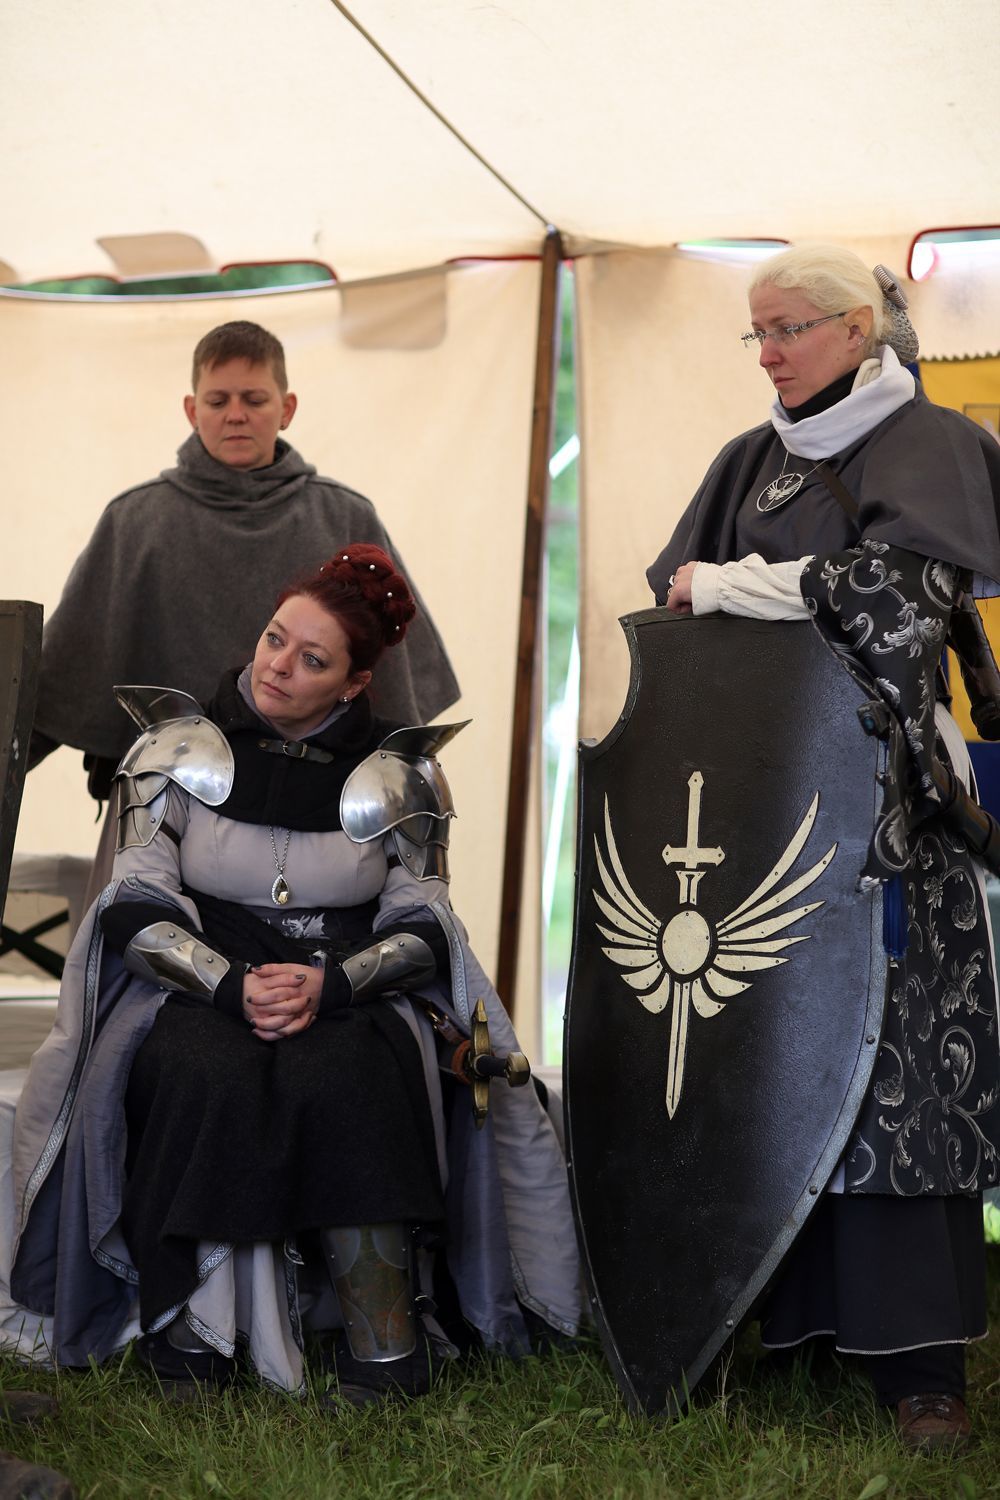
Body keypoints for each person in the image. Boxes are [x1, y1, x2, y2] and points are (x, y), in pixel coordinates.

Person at [8, 544, 580, 1404]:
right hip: (198, 987)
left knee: (354, 1075)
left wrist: (335, 985)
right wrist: (228, 985)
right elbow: (133, 901)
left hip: (351, 989)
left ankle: (384, 1348)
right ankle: (190, 1341)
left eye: (312, 659)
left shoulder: (401, 775)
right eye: (275, 638)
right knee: (204, 1071)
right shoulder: (171, 750)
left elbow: (425, 919)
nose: (278, 665)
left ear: (353, 684)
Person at [647, 245, 1000, 1451]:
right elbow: (669, 605)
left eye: (786, 328)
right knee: (779, 1048)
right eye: (754, 333)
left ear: (856, 329)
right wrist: (721, 593)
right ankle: (790, 1327)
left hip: (886, 800)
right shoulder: (746, 462)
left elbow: (896, 606)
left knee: (896, 1061)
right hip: (765, 800)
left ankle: (916, 1362)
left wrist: (732, 587)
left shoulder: (930, 445)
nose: (767, 353)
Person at [29, 320, 459, 804]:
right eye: (218, 401)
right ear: (192, 410)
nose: (236, 415)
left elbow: (394, 687)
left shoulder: (345, 517)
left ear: (286, 408)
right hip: (158, 805)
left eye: (254, 400)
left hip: (318, 805)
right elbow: (60, 680)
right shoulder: (135, 522)